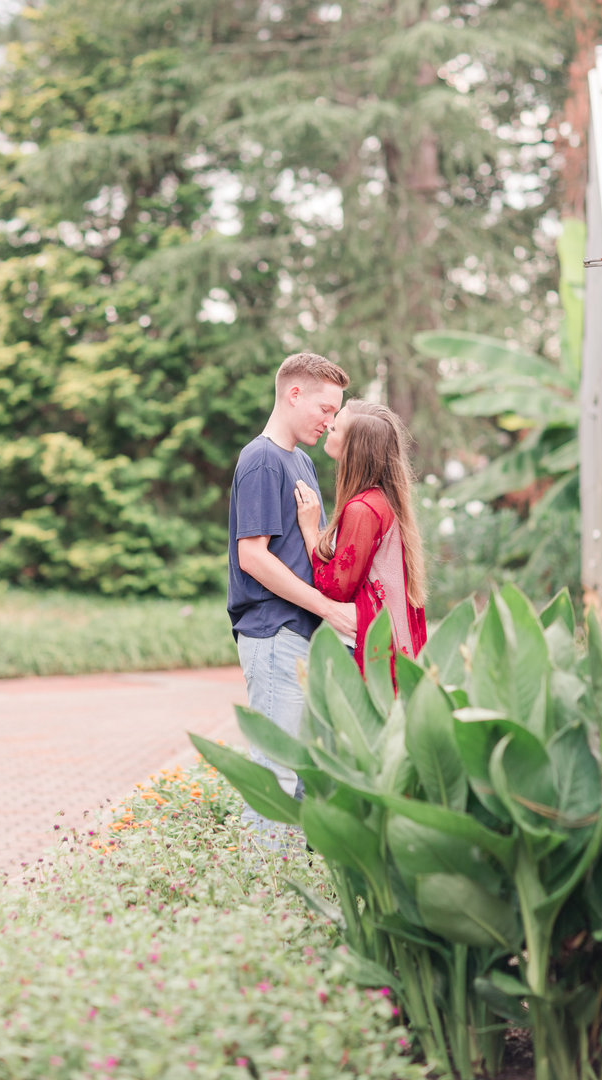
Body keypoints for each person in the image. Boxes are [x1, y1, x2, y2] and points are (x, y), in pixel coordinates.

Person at [228, 353, 356, 845]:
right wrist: (328, 609)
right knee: (276, 776)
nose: (331, 421)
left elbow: (307, 548)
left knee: (300, 779)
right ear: (293, 394)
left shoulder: (300, 460)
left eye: (335, 412)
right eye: (325, 409)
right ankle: (261, 901)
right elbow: (253, 558)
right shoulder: (261, 459)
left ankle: (284, 898)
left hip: (301, 636)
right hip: (274, 633)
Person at [294, 399, 427, 680]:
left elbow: (335, 588)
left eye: (337, 425)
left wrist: (309, 530)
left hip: (362, 649)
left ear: (356, 446)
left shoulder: (363, 508)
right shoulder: (383, 500)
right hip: (379, 642)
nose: (329, 425)